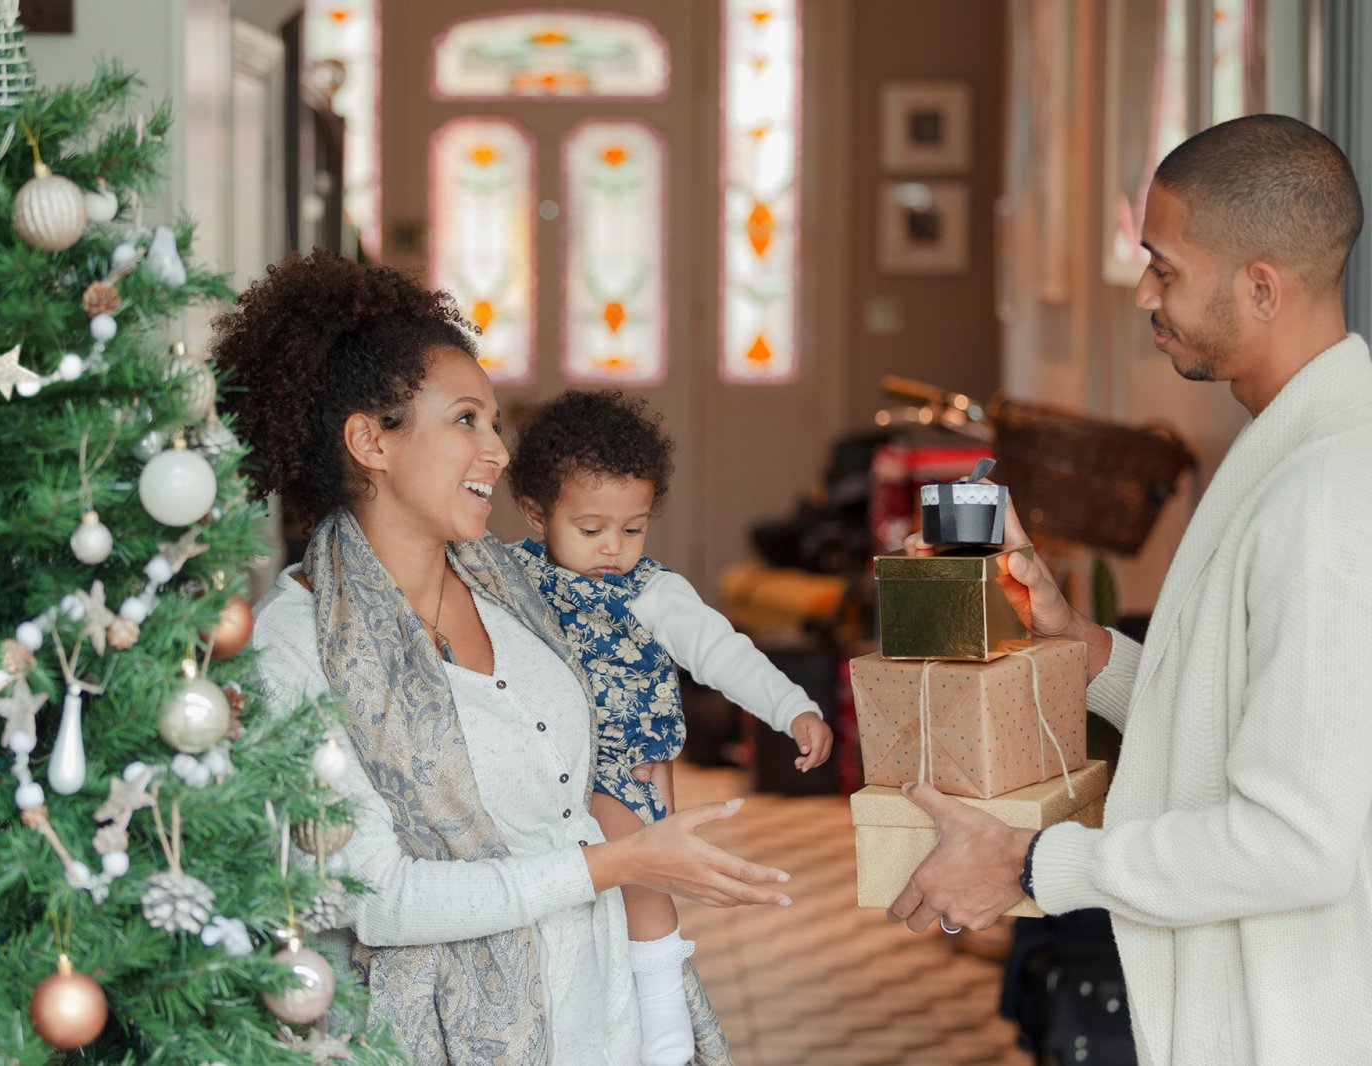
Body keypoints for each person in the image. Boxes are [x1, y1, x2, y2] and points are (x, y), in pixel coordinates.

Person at [213, 249, 794, 1065]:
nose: (498, 450)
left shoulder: (517, 584)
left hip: (607, 1016)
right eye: (465, 421)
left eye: (493, 422)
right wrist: (618, 862)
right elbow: (377, 900)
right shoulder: (295, 643)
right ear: (370, 442)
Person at [886, 113, 1372, 1064]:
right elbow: (1234, 721)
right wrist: (1078, 640)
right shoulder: (1285, 452)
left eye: (1165, 267)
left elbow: (1298, 845)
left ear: (1261, 287)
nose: (1146, 294)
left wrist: (1029, 863)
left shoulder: (1328, 495)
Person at [506, 390, 835, 1066]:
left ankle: (664, 1034)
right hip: (539, 780)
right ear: (537, 513)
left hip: (625, 772)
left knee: (644, 894)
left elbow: (722, 652)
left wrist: (791, 707)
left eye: (633, 529)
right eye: (592, 527)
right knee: (570, 918)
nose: (613, 548)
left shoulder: (654, 593)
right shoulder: (508, 579)